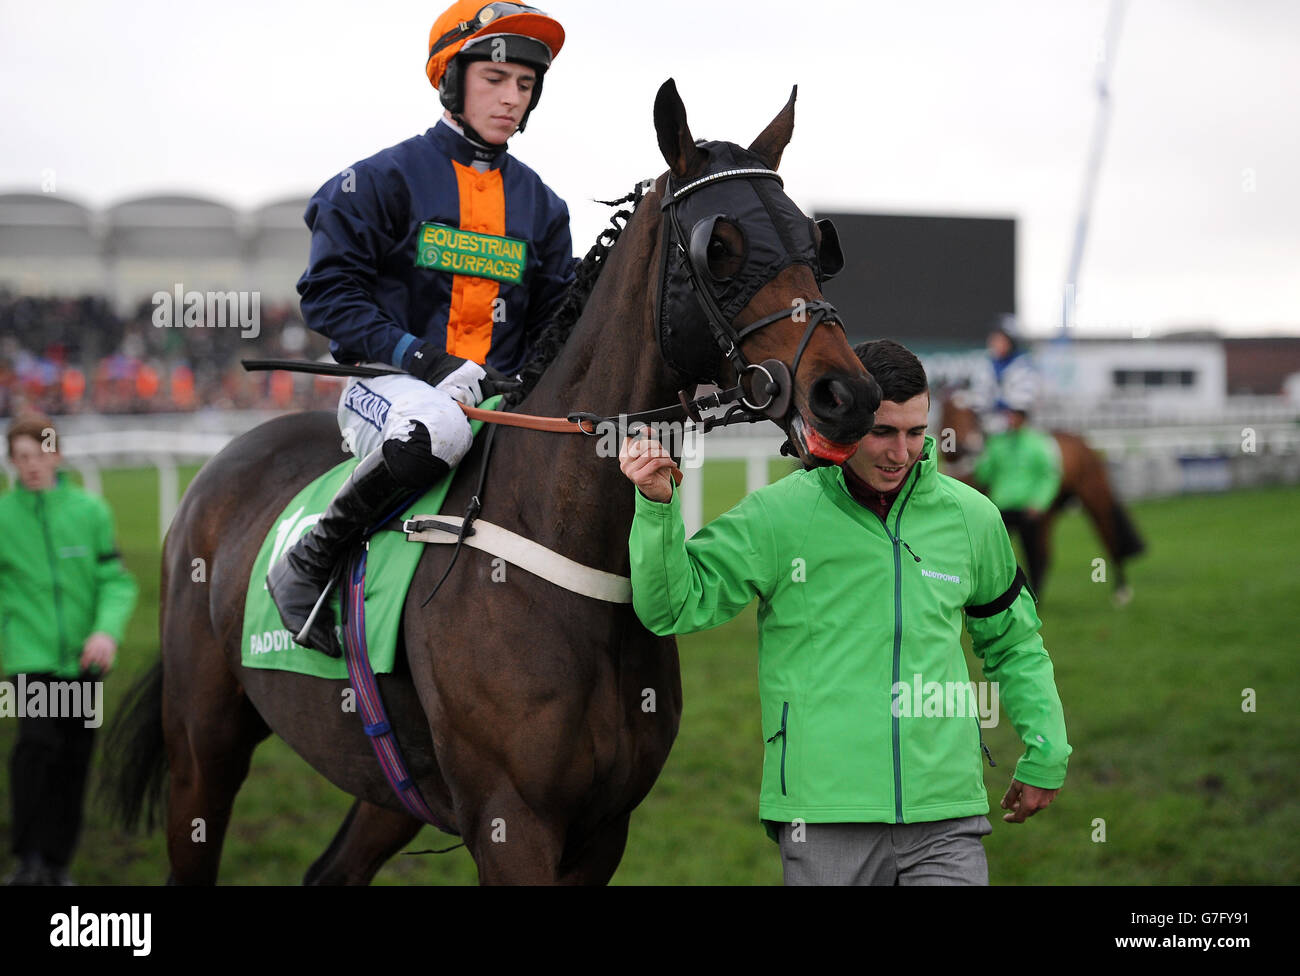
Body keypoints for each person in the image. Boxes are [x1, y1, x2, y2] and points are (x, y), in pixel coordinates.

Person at [619, 339, 1070, 885]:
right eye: (882, 431)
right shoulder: (778, 515)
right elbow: (673, 607)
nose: (900, 453)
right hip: (824, 816)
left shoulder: (972, 518)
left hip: (947, 814)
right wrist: (657, 505)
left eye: (915, 432)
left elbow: (1015, 643)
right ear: (843, 418)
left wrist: (1045, 748)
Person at [269, 1, 576, 656]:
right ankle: (310, 558)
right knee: (440, 424)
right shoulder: (377, 181)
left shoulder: (544, 207)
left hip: (501, 402)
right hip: (389, 389)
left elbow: (554, 321)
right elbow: (328, 295)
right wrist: (423, 359)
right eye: (495, 80)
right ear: (451, 79)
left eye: (525, 85)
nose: (511, 99)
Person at [1, 414, 138, 885]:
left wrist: (106, 632)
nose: (31, 465)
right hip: (30, 659)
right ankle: (28, 859)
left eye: (39, 454)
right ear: (12, 463)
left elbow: (115, 583)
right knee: (36, 746)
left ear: (56, 455)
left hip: (85, 662)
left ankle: (57, 863)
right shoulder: (3, 518)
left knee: (73, 759)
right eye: (21, 458)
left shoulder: (90, 512)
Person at [973, 394, 1063, 599]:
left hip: (1028, 509)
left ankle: (1035, 594)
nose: (1009, 420)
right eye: (1008, 415)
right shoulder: (997, 443)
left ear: (1023, 418)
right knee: (992, 554)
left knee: (1033, 554)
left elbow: (1049, 475)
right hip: (1001, 507)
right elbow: (984, 474)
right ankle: (991, 593)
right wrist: (983, 455)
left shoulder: (1038, 443)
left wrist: (1039, 503)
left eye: (1013, 415)